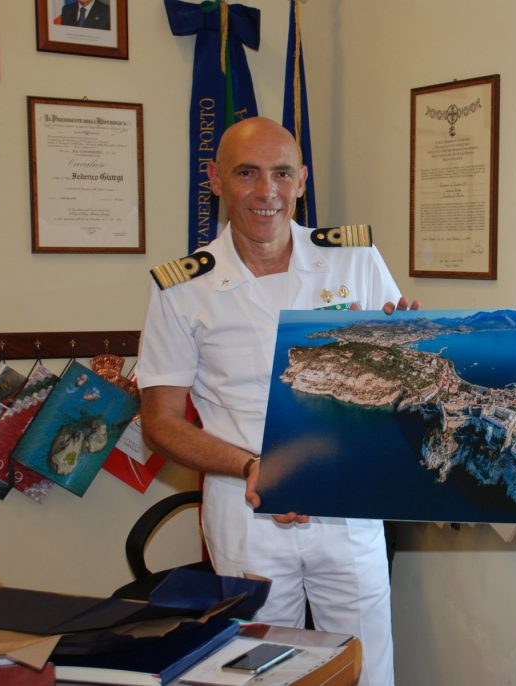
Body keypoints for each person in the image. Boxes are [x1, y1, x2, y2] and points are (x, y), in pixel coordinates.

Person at [138, 117, 416, 686]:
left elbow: (398, 382)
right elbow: (159, 422)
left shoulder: (355, 260)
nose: (267, 191)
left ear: (302, 180)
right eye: (247, 173)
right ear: (215, 179)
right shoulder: (182, 288)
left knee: (367, 668)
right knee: (259, 673)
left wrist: (412, 340)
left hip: (345, 501)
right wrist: (251, 466)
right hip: (247, 510)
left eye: (282, 174)